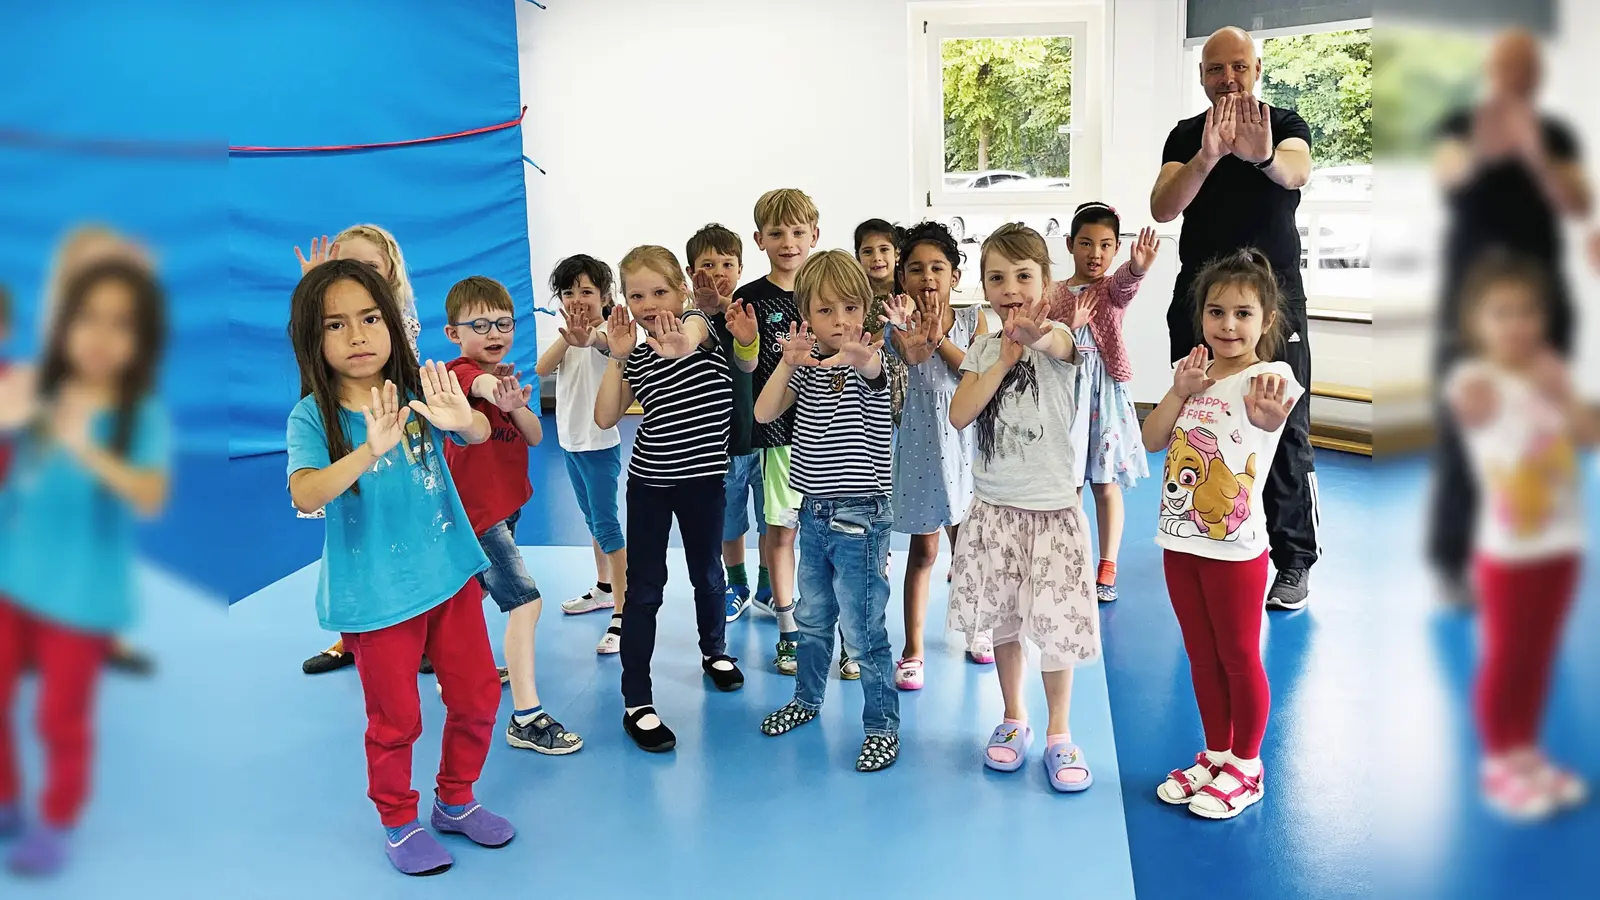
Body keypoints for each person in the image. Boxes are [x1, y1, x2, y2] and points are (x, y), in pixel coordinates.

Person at [286, 260, 514, 875]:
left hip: (450, 576)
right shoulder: (313, 417)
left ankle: (457, 800)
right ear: (314, 338)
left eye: (369, 319)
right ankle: (398, 820)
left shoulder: (418, 393)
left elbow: (472, 435)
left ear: (392, 325)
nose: (357, 336)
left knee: (475, 697)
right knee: (396, 719)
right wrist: (368, 448)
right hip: (377, 597)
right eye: (336, 325)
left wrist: (459, 418)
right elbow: (306, 493)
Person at [0, 261, 170, 875]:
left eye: (119, 323)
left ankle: (56, 818)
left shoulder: (138, 413)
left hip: (81, 594)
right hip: (14, 579)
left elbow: (147, 494)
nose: (100, 335)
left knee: (58, 716)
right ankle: (6, 799)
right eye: (87, 318)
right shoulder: (36, 391)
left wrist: (85, 445)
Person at [1150, 25, 1318, 611]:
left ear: (1256, 69)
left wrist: (1261, 156)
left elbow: (1295, 170)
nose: (1228, 79)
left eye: (1238, 67)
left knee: (1283, 426)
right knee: (1195, 414)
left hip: (1272, 308)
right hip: (1201, 305)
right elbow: (1162, 205)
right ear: (1202, 78)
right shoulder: (1186, 134)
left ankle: (1292, 560)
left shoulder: (1285, 124)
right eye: (1216, 69)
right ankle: (1202, 529)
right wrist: (1209, 155)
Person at [1428, 27, 1590, 607]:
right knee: (1465, 427)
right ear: (1492, 73)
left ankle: (1532, 548)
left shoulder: (1554, 134)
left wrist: (1535, 153)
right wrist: (1495, 146)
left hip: (1542, 304)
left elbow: (1578, 202)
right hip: (1472, 307)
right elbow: (1448, 178)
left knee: (1538, 428)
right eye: (1507, 68)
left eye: (1527, 69)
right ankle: (1454, 562)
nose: (1517, 79)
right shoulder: (1462, 126)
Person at [1140, 249, 1303, 821]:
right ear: (1201, 317)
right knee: (1200, 655)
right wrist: (1181, 390)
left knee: (1238, 655)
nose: (1228, 325)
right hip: (1179, 542)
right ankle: (1216, 754)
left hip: (1234, 548)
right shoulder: (1194, 373)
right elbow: (1153, 438)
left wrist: (1265, 419)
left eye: (1242, 313)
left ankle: (1248, 765)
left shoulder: (1271, 377)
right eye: (1216, 312)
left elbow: (1269, 419)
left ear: (1266, 319)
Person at [947, 224, 1097, 793]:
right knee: (1005, 624)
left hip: (1052, 513)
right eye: (997, 277)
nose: (1010, 287)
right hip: (995, 513)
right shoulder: (984, 349)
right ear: (983, 285)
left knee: (1056, 629)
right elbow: (961, 412)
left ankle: (1059, 732)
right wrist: (1002, 361)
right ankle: (1014, 717)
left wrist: (1033, 339)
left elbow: (1060, 346)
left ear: (1045, 281)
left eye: (1023, 276)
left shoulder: (1059, 335)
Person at [1444, 252, 1592, 819]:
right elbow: (1475, 409)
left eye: (1527, 312)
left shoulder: (1551, 373)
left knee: (1539, 654)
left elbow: (1585, 434)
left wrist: (1563, 391)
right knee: (1507, 655)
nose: (1516, 325)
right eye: (1501, 313)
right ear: (1479, 323)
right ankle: (1500, 761)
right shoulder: (1475, 379)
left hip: (1560, 546)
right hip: (1506, 552)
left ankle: (1527, 752)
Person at [754, 251, 900, 772]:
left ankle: (882, 725)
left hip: (861, 518)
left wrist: (863, 359)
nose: (841, 321)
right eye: (825, 311)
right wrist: (788, 365)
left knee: (863, 631)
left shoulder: (870, 361)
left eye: (850, 308)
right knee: (813, 620)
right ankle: (807, 699)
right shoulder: (806, 368)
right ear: (806, 316)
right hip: (812, 512)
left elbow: (876, 372)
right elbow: (764, 411)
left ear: (866, 310)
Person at [595, 246, 743, 753]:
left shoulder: (703, 327)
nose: (649, 303)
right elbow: (604, 417)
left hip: (706, 481)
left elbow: (694, 332)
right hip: (652, 483)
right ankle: (637, 700)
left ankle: (714, 652)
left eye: (659, 291)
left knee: (708, 572)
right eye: (636, 295)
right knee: (645, 589)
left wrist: (682, 344)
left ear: (680, 288)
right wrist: (616, 357)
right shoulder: (633, 355)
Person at [441, 276, 581, 755]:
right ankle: (527, 716)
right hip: (480, 518)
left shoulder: (505, 377)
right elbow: (473, 383)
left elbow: (537, 438)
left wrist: (517, 405)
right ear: (453, 333)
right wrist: (490, 388)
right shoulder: (457, 373)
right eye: (479, 324)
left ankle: (454, 673)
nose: (494, 332)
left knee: (473, 594)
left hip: (507, 506)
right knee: (525, 602)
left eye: (503, 323)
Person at [296, 224, 431, 673]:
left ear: (390, 270)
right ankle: (353, 634)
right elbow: (317, 358)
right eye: (345, 266)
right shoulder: (335, 330)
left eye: (367, 267)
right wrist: (315, 294)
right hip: (350, 439)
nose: (354, 274)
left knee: (406, 533)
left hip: (395, 432)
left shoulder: (395, 321)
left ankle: (421, 627)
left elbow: (400, 373)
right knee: (352, 538)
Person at [887, 222, 989, 687]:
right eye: (915, 268)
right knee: (923, 550)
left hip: (965, 449)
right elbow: (904, 356)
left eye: (937, 267)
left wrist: (938, 339)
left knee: (968, 545)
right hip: (921, 450)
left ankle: (978, 625)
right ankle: (912, 647)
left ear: (954, 275)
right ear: (901, 277)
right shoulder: (897, 322)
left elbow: (974, 367)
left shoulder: (974, 321)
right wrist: (914, 335)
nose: (927, 277)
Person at [1045, 205, 1160, 602]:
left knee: (1106, 483)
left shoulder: (1112, 288)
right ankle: (1071, 560)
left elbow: (1125, 286)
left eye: (1105, 245)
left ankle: (1107, 566)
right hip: (1067, 396)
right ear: (1070, 245)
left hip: (1104, 395)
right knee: (1069, 483)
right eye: (1086, 243)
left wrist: (1138, 268)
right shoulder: (1055, 291)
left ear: (1115, 250)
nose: (1095, 253)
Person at [735, 189, 820, 675]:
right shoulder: (750, 298)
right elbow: (744, 363)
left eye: (797, 232)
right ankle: (789, 631)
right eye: (777, 233)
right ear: (760, 239)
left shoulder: (827, 290)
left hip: (832, 433)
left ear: (814, 234)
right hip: (781, 436)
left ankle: (839, 629)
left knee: (832, 537)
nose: (788, 242)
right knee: (781, 532)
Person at [537, 256, 629, 654]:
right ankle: (605, 588)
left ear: (605, 296)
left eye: (587, 292)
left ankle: (624, 615)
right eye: (569, 292)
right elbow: (542, 367)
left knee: (608, 528)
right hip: (570, 442)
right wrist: (570, 335)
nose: (577, 300)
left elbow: (613, 348)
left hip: (599, 445)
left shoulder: (611, 333)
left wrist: (590, 336)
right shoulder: (569, 334)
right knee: (593, 521)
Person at [681, 225, 767, 632]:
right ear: (690, 271)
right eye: (707, 265)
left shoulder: (750, 310)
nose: (717, 272)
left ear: (740, 267)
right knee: (728, 524)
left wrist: (728, 304)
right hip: (718, 446)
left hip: (766, 440)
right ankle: (738, 583)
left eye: (727, 264)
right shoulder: (690, 323)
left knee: (773, 521)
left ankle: (769, 582)